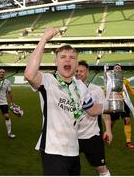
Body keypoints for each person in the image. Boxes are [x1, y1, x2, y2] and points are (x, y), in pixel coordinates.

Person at [24, 26, 103, 176]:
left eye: (72, 58)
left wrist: (109, 104)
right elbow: (29, 74)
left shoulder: (80, 86)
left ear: (76, 63)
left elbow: (92, 110)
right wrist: (44, 39)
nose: (68, 60)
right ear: (56, 62)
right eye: (63, 57)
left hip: (73, 150)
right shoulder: (47, 80)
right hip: (53, 149)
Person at [76, 60, 112, 176]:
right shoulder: (67, 89)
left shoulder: (96, 89)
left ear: (87, 72)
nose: (78, 73)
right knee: (70, 169)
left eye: (81, 71)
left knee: (101, 168)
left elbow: (105, 111)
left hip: (91, 135)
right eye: (76, 71)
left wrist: (108, 130)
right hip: (72, 137)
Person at [109, 64, 134, 149]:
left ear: (121, 70)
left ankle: (128, 141)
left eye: (119, 68)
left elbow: (131, 90)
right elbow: (105, 90)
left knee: (127, 120)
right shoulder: (110, 79)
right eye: (116, 68)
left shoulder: (125, 80)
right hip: (114, 103)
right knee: (111, 122)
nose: (117, 69)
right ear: (113, 70)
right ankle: (108, 133)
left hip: (124, 102)